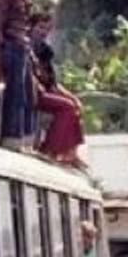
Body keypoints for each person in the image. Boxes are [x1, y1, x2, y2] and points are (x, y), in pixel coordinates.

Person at [0, 0, 37, 150]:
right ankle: (12, 139)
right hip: (11, 47)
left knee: (28, 95)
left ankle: (25, 139)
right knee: (15, 95)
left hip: (23, 48)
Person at [29, 12, 85, 163]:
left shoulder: (45, 51)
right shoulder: (26, 48)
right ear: (31, 27)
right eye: (40, 27)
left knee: (75, 105)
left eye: (47, 29)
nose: (44, 32)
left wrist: (72, 97)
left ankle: (71, 152)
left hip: (45, 91)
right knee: (66, 107)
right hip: (31, 92)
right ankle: (49, 149)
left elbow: (53, 83)